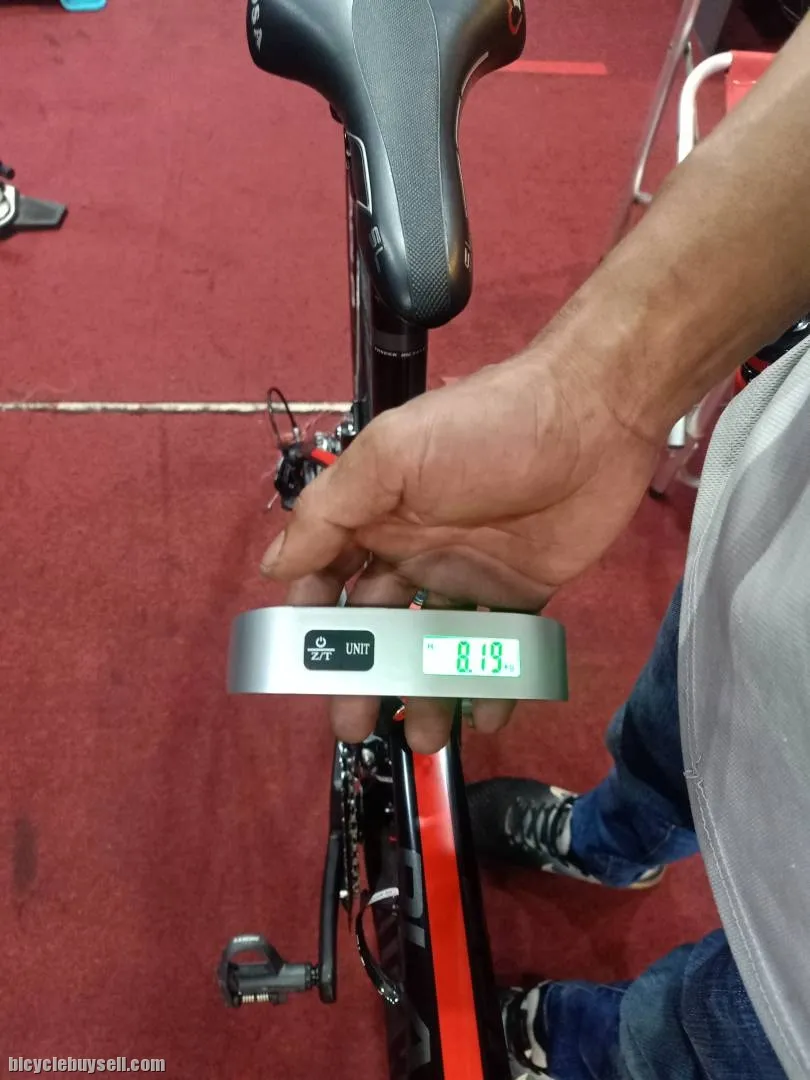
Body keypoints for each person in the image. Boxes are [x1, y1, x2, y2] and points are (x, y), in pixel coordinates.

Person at [259, 13, 810, 1080]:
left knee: (692, 1037)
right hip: (779, 540)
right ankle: (611, 838)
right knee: (675, 733)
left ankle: (568, 1040)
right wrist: (607, 381)